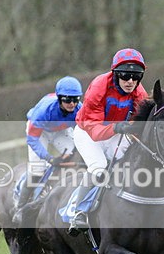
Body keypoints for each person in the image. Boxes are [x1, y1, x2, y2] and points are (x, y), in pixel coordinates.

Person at [69, 48, 149, 232]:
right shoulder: (99, 86)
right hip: (87, 132)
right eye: (125, 75)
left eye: (136, 76)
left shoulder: (139, 92)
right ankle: (78, 212)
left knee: (130, 161)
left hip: (114, 131)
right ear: (115, 74)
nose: (130, 81)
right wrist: (117, 127)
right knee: (99, 168)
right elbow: (94, 130)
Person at [12, 76, 83, 225]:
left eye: (75, 99)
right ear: (59, 98)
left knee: (77, 157)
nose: (72, 104)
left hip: (60, 130)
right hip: (40, 132)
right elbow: (32, 140)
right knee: (38, 169)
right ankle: (19, 207)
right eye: (67, 100)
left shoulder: (79, 109)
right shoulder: (43, 111)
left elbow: (84, 132)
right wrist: (50, 158)